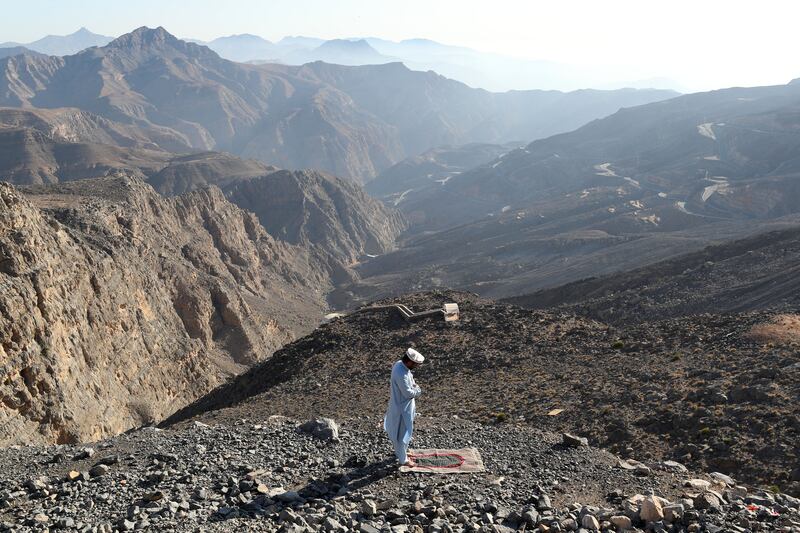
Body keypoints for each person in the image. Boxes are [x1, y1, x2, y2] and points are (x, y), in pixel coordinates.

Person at [384, 348, 424, 467]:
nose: (416, 366)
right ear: (410, 362)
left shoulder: (399, 365)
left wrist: (413, 387)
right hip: (402, 408)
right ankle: (403, 460)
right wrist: (417, 390)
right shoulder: (402, 374)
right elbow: (408, 393)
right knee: (401, 433)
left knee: (405, 430)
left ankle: (402, 453)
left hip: (402, 406)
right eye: (415, 364)